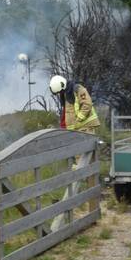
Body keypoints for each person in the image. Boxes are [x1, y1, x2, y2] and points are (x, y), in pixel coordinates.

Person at [48, 76, 100, 231]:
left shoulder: (78, 89)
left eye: (60, 92)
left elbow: (87, 104)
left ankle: (85, 190)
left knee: (83, 161)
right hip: (76, 131)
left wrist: (78, 120)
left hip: (85, 128)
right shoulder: (66, 94)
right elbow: (66, 113)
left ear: (63, 86)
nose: (59, 95)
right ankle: (87, 190)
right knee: (82, 163)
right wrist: (64, 127)